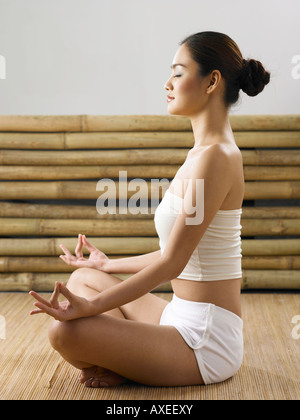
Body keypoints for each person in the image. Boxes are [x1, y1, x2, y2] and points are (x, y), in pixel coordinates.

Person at [29, 31, 270, 387]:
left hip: (204, 340)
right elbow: (177, 254)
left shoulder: (217, 157)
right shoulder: (202, 154)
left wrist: (92, 309)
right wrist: (106, 264)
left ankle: (129, 360)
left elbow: (172, 262)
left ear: (211, 81)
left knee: (64, 334)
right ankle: (131, 357)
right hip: (177, 315)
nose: (167, 83)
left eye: (177, 72)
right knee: (83, 279)